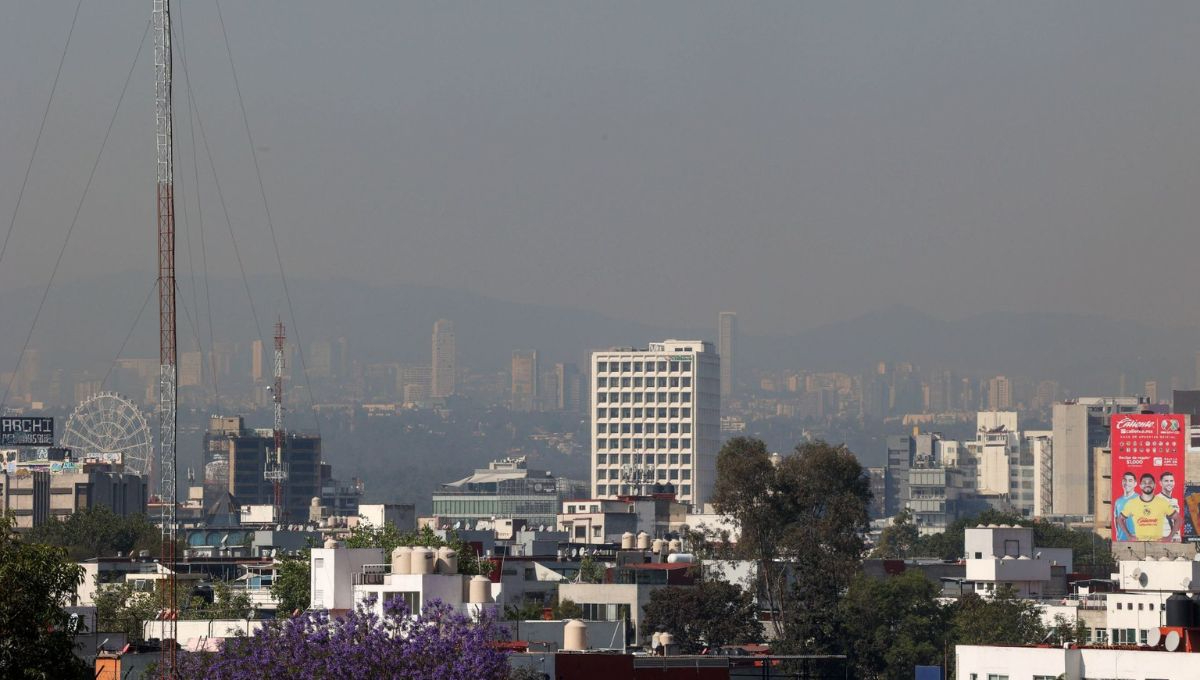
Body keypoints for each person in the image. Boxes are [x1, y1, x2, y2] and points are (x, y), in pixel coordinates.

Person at [1121, 473, 1177, 542]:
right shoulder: (1132, 503)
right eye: (1144, 483)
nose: (1147, 485)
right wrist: (1129, 536)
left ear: (1154, 485)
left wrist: (1169, 537)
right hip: (1139, 543)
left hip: (1158, 543)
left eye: (1150, 483)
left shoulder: (1162, 502)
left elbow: (1179, 520)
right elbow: (1120, 519)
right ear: (1140, 486)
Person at [1114, 471, 1137, 541]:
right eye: (1125, 480)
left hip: (1136, 540)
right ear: (1122, 482)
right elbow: (1116, 519)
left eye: (1130, 481)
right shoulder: (1118, 501)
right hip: (1121, 539)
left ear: (1135, 483)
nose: (1127, 483)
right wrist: (1117, 534)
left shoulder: (1139, 499)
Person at [1159, 471, 1181, 540]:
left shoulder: (1175, 501)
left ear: (1174, 483)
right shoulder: (1156, 499)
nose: (1169, 483)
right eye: (1166, 481)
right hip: (1163, 538)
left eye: (1171, 481)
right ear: (1160, 483)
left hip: (1175, 539)